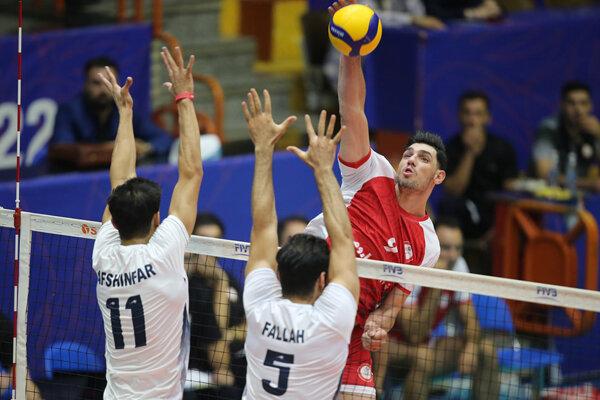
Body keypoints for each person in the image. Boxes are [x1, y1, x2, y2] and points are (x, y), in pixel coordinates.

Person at [307, 2, 446, 398]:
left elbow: (392, 305)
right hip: (310, 300)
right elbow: (352, 111)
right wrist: (351, 54)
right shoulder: (372, 173)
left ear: (437, 177)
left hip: (353, 328)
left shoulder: (428, 245)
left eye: (423, 159)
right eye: (409, 153)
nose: (411, 160)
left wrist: (380, 325)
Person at [91, 46, 202, 399]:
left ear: (114, 221)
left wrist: (124, 112)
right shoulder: (163, 254)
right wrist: (184, 98)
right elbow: (191, 173)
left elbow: (120, 181)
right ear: (157, 219)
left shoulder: (104, 254)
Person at [242, 87, 359, 399]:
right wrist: (323, 170)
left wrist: (263, 149)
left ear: (278, 274)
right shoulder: (331, 321)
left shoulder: (258, 307)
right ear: (322, 280)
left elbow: (263, 226)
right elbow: (343, 239)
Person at [373, 217, 500, 400]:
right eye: (446, 248)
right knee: (423, 358)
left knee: (486, 350)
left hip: (426, 346)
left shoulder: (457, 265)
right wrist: (436, 285)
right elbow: (414, 334)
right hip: (388, 344)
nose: (453, 255)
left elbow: (470, 319)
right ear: (433, 245)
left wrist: (471, 345)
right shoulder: (414, 265)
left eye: (458, 248)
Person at [438, 90, 517, 274]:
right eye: (467, 113)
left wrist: (498, 229)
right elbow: (453, 190)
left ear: (488, 118)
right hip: (462, 218)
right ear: (459, 116)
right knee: (450, 205)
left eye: (478, 114)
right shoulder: (449, 148)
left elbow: (511, 193)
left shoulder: (503, 149)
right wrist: (470, 153)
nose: (472, 120)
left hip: (495, 220)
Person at [51, 56, 173, 166]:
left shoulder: (126, 107)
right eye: (96, 83)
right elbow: (64, 149)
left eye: (109, 82)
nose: (103, 90)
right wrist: (112, 148)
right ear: (86, 85)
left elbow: (163, 139)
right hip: (80, 176)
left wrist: (145, 147)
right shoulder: (69, 111)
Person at [185, 213, 246, 399]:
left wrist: (230, 334)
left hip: (234, 363)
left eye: (215, 241)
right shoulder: (187, 283)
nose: (210, 249)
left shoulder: (230, 278)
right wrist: (219, 282)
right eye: (205, 241)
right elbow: (216, 328)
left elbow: (248, 324)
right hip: (198, 371)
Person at [533, 81, 600, 192]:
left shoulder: (595, 130)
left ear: (590, 106)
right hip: (550, 194)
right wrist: (588, 184)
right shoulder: (549, 130)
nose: (578, 110)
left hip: (583, 196)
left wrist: (599, 135)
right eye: (571, 103)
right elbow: (544, 174)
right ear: (562, 105)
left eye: (583, 103)